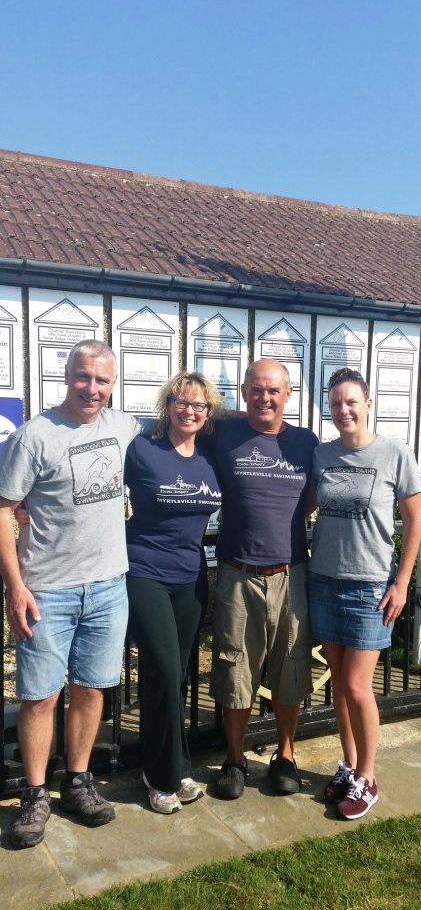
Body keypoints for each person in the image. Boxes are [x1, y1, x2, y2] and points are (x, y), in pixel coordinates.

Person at [0, 340, 141, 848]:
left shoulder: (123, 426)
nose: (93, 389)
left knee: (91, 689)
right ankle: (35, 795)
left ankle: (77, 781)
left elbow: (184, 423)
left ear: (114, 383)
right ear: (67, 376)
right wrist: (15, 588)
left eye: (103, 380)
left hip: (108, 586)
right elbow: (3, 510)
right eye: (84, 377)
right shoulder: (34, 437)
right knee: (39, 697)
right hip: (48, 591)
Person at [308, 368, 421, 820]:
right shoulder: (321, 455)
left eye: (351, 401)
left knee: (357, 685)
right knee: (339, 683)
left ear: (368, 403)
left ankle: (368, 777)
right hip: (323, 580)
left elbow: (414, 522)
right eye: (336, 403)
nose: (343, 410)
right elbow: (303, 505)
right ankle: (350, 765)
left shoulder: (394, 453)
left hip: (370, 585)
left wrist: (401, 582)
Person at [208, 358, 318, 800]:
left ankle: (284, 756)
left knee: (291, 669)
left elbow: (310, 499)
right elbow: (197, 411)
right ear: (244, 392)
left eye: (273, 390)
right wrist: (233, 414)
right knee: (236, 669)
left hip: (291, 573)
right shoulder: (225, 434)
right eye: (256, 389)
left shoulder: (305, 442)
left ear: (288, 395)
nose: (264, 398)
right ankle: (235, 760)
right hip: (238, 573)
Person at [124, 371, 222, 814]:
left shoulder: (210, 456)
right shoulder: (142, 449)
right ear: (167, 405)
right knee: (162, 669)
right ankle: (158, 778)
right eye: (182, 402)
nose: (190, 411)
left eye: (200, 405)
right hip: (144, 573)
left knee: (179, 676)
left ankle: (177, 767)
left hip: (191, 579)